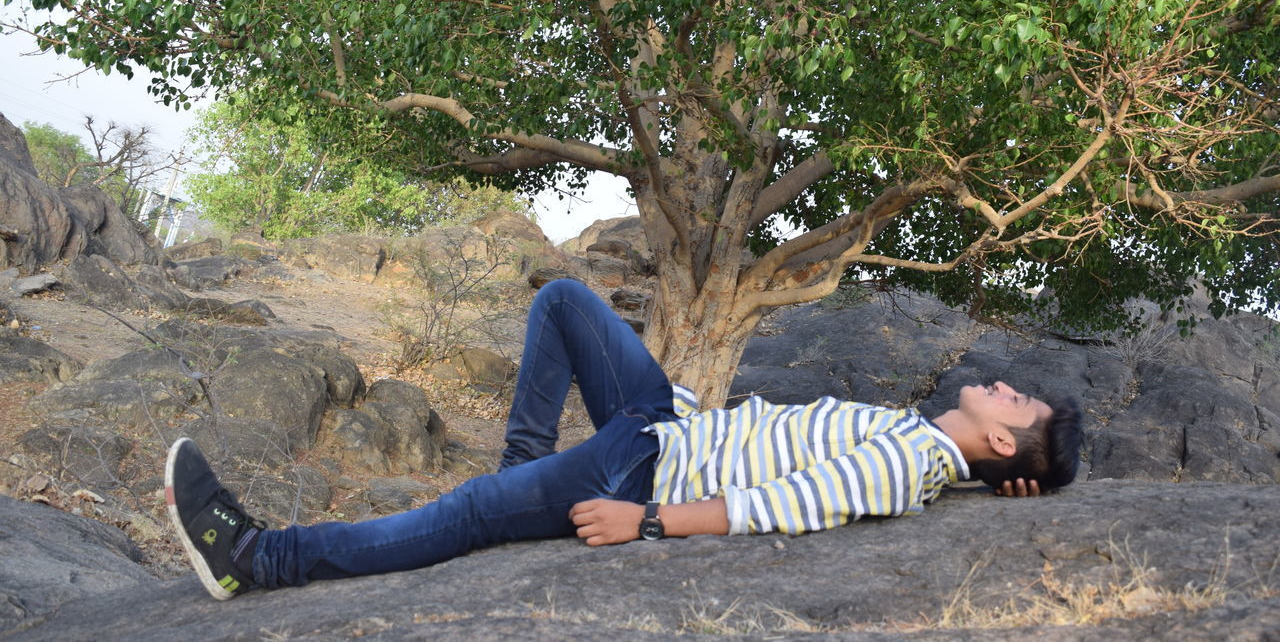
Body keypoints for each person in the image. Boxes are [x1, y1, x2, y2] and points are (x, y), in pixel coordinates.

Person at [166, 279, 1083, 600]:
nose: (1006, 385)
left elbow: (790, 504)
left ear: (1002, 439)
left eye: (1019, 402)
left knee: (472, 511)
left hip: (643, 466)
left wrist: (647, 522)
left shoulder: (909, 459)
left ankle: (257, 557)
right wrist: (997, 485)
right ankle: (525, 476)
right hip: (664, 420)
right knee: (563, 301)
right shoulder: (931, 454)